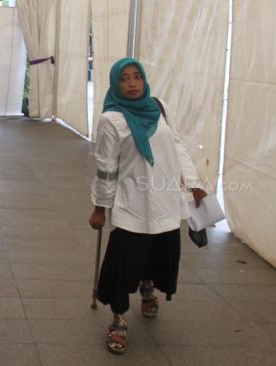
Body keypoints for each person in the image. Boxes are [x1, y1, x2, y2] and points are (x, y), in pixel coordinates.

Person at [89, 58, 207, 355]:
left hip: (166, 198)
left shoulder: (159, 106)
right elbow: (106, 167)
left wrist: (193, 183)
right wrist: (100, 207)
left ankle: (148, 287)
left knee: (159, 251)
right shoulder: (112, 119)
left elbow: (176, 145)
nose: (132, 83)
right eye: (125, 78)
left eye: (137, 77)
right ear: (116, 84)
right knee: (124, 260)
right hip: (133, 202)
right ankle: (118, 318)